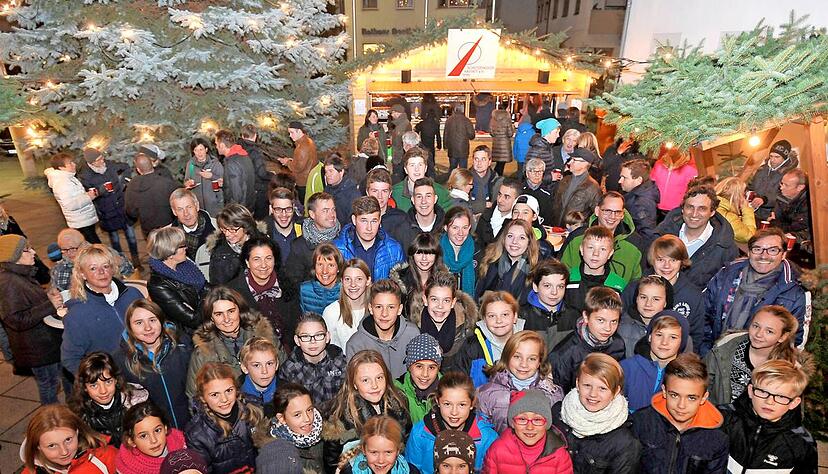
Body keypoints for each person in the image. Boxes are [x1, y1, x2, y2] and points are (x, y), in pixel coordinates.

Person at [703, 227, 807, 354]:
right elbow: (703, 314)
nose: (764, 256)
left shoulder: (794, 292)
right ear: (749, 252)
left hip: (760, 361)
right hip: (714, 352)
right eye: (757, 249)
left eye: (772, 250)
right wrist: (706, 354)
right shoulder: (727, 274)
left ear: (783, 254)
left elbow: (792, 340)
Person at [631, 353, 729, 473]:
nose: (681, 405)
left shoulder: (717, 439)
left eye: (691, 398)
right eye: (674, 395)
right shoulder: (640, 422)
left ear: (704, 398)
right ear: (664, 391)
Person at [719, 360, 817, 473]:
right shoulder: (722, 418)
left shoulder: (802, 442)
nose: (769, 401)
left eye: (781, 396)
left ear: (794, 403)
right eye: (763, 392)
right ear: (750, 391)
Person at [0, 235, 65, 404]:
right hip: (37, 349)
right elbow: (16, 319)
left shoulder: (19, 274)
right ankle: (51, 417)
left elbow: (27, 302)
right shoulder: (9, 283)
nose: (34, 252)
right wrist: (49, 305)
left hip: (42, 344)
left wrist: (46, 296)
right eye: (27, 249)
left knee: (53, 381)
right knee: (49, 385)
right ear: (14, 256)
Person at [322, 350, 411, 472]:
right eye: (365, 380)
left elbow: (406, 440)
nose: (374, 385)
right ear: (354, 383)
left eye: (379, 377)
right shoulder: (341, 415)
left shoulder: (398, 403)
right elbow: (331, 461)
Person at [61, 244, 143, 374]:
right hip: (116, 378)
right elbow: (70, 359)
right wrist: (100, 380)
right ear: (82, 274)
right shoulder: (77, 315)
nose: (101, 272)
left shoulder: (133, 294)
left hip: (148, 367)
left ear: (112, 269)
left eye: (105, 266)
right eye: (93, 268)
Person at [551, 353, 641, 472]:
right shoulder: (558, 413)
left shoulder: (625, 443)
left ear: (616, 391)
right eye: (587, 385)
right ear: (577, 384)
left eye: (602, 388)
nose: (593, 394)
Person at [185, 286, 282, 396]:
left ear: (240, 310)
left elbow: (285, 376)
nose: (226, 319)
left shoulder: (266, 337)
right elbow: (194, 396)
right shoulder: (203, 353)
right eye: (219, 314)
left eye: (231, 311)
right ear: (211, 318)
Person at [114, 299, 192, 429]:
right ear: (130, 327)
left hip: (191, 426)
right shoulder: (121, 360)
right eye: (139, 323)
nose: (148, 328)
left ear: (161, 321)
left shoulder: (182, 345)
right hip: (154, 432)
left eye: (152, 320)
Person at [704, 305, 802, 405]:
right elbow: (702, 383)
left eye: (769, 331)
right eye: (756, 326)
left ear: (782, 337)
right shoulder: (725, 348)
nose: (758, 334)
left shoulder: (789, 368)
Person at [405, 372, 496, 473]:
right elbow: (411, 470)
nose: (454, 412)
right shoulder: (420, 434)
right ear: (437, 401)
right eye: (447, 404)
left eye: (462, 405)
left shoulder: (487, 437)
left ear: (472, 404)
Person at [624, 235, 705, 348]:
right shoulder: (634, 288)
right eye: (660, 260)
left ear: (682, 262)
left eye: (673, 260)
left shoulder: (692, 295)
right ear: (652, 260)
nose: (667, 266)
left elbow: (696, 337)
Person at [478, 331, 564, 433]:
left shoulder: (552, 394)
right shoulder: (487, 393)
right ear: (507, 357)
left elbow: (557, 432)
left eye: (531, 359)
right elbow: (480, 431)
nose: (523, 364)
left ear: (539, 362)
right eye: (517, 357)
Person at [656, 185, 738, 289]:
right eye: (690, 207)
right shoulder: (661, 234)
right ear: (682, 209)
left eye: (702, 209)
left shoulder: (725, 248)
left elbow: (724, 287)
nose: (694, 214)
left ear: (712, 212)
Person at [186, 362, 262, 472]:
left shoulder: (254, 410)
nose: (224, 399)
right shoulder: (197, 434)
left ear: (236, 390)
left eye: (229, 390)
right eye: (215, 395)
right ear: (202, 398)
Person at [227, 235, 299, 347]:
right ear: (247, 262)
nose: (263, 265)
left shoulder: (288, 286)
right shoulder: (232, 292)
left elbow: (295, 326)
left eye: (268, 258)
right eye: (257, 259)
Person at [550, 287, 626, 392]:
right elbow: (558, 394)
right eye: (601, 320)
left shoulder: (618, 344)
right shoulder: (564, 354)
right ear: (586, 317)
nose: (608, 328)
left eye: (613, 321)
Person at [482, 388, 573, 472]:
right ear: (512, 423)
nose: (529, 427)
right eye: (522, 419)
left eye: (537, 420)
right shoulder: (497, 451)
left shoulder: (559, 456)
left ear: (547, 424)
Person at [560, 192, 644, 283]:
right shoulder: (577, 238)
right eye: (607, 211)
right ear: (597, 211)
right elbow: (560, 272)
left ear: (622, 214)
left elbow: (637, 281)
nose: (612, 216)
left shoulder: (635, 243)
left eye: (617, 212)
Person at [69, 351, 149, 446]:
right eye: (94, 385)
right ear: (85, 387)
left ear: (116, 380)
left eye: (108, 382)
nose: (103, 391)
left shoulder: (136, 402)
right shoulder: (80, 416)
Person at [78, 147, 139, 267]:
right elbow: (90, 194)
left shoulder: (110, 165)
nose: (103, 161)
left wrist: (124, 182)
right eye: (99, 160)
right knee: (115, 240)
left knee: (131, 236)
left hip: (122, 207)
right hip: (107, 211)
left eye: (102, 157)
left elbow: (126, 167)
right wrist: (100, 191)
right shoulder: (86, 176)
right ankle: (120, 263)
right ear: (91, 163)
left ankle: (136, 260)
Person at [346, 279, 420, 378]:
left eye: (391, 307)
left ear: (399, 309)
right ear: (371, 308)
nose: (384, 314)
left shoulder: (412, 334)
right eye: (379, 307)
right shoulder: (356, 344)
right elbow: (354, 381)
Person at [453, 291, 525, 388]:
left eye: (505, 315)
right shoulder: (472, 346)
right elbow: (458, 383)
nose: (498, 321)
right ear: (484, 319)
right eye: (492, 316)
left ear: (515, 317)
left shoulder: (529, 344)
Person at [622, 312, 690, 412]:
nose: (664, 342)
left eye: (673, 337)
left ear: (682, 342)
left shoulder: (687, 375)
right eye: (659, 335)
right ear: (650, 337)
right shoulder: (626, 368)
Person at [21, 404, 117, 474]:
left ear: (77, 432)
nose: (64, 452)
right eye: (52, 446)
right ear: (38, 446)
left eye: (68, 440)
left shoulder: (106, 456)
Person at [277, 312, 347, 407]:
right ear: (297, 340)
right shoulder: (289, 369)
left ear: (327, 337)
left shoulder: (341, 362)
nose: (313, 341)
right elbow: (286, 405)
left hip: (338, 413)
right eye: (305, 336)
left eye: (318, 335)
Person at [408, 271, 477, 366]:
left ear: (453, 303)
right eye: (434, 299)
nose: (440, 306)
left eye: (446, 300)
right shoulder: (412, 330)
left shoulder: (467, 331)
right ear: (425, 300)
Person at [146, 226, 207, 334]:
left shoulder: (185, 265)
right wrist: (207, 299)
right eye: (182, 246)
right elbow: (193, 320)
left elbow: (205, 286)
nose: (186, 248)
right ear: (170, 253)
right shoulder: (158, 285)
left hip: (204, 322)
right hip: (187, 334)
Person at [254, 383, 325, 473]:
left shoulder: (321, 429)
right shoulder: (276, 454)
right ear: (282, 418)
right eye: (297, 414)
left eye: (309, 410)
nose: (307, 419)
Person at [334, 196, 405, 281]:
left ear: (379, 220)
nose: (369, 228)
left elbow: (401, 285)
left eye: (374, 221)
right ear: (354, 220)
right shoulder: (337, 249)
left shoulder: (394, 249)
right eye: (364, 221)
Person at [563, 225, 627, 314]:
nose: (595, 254)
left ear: (610, 254)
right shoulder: (568, 278)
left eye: (602, 249)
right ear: (581, 249)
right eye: (590, 248)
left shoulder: (618, 285)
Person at [284, 192, 341, 288]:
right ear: (312, 214)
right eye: (325, 211)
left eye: (333, 209)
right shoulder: (299, 246)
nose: (332, 215)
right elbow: (293, 282)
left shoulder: (345, 239)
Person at [520, 259, 581, 348]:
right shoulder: (522, 316)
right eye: (547, 286)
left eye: (560, 286)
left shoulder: (574, 316)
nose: (554, 292)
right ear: (535, 287)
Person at [50, 228, 133, 292]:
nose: (69, 253)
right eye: (64, 250)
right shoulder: (60, 269)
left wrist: (119, 263)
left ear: (83, 244)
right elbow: (57, 291)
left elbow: (129, 271)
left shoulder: (103, 253)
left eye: (72, 248)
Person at [44, 151, 101, 244]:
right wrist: (89, 196)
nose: (74, 164)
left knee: (91, 244)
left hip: (83, 218)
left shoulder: (68, 177)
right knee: (95, 246)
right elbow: (70, 204)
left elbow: (75, 195)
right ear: (61, 167)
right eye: (70, 163)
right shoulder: (62, 182)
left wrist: (87, 194)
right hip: (80, 221)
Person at [116, 401, 187, 474]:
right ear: (131, 441)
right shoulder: (126, 467)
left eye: (157, 430)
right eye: (143, 436)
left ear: (165, 429)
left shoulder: (183, 444)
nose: (154, 440)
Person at [475, 219, 538, 301]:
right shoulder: (489, 261)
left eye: (522, 238)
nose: (514, 241)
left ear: (529, 242)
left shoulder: (535, 271)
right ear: (504, 239)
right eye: (510, 236)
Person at [390, 232, 448, 314]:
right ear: (412, 255)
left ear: (436, 256)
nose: (424, 258)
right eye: (419, 253)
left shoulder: (445, 281)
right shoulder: (399, 281)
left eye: (429, 253)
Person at [338, 416, 420, 474]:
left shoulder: (411, 472)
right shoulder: (350, 472)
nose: (381, 460)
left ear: (398, 450)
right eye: (374, 452)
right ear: (364, 449)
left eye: (388, 452)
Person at [617, 275, 674, 358]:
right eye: (643, 297)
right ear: (636, 299)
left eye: (656, 299)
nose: (648, 304)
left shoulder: (676, 330)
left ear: (666, 302)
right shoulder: (620, 326)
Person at [125, 153, 180, 235]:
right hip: (168, 226)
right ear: (152, 164)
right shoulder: (166, 182)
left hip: (149, 229)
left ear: (138, 169)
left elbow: (131, 212)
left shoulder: (132, 185)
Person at [394, 333, 443, 425]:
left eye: (431, 367)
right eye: (419, 366)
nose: (425, 374)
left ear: (438, 369)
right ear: (409, 367)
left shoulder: (449, 390)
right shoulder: (397, 391)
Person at [206, 203, 260, 284]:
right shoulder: (219, 254)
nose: (227, 234)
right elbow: (218, 287)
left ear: (245, 227)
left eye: (232, 229)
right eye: (224, 229)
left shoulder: (262, 243)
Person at [323, 259, 371, 350]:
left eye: (359, 279)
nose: (353, 284)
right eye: (347, 279)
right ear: (342, 281)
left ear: (368, 281)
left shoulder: (376, 310)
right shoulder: (331, 312)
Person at [548, 147, 601, 228]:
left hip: (575, 230)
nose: (569, 162)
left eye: (574, 160)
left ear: (584, 164)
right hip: (557, 228)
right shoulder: (564, 180)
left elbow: (596, 214)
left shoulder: (593, 187)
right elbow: (555, 204)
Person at [747, 139, 799, 221]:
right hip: (753, 213)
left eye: (777, 157)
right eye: (771, 156)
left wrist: (765, 200)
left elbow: (787, 197)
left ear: (785, 158)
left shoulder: (790, 175)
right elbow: (751, 186)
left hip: (774, 216)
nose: (772, 159)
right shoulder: (761, 169)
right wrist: (748, 194)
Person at [366, 167, 416, 250]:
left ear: (390, 193)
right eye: (375, 191)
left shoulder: (401, 219)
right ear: (367, 192)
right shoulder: (359, 220)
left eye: (384, 191)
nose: (379, 196)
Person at [773, 168, 813, 265]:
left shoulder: (809, 203)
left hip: (801, 248)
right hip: (786, 237)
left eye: (786, 185)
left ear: (800, 187)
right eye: (781, 183)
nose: (781, 187)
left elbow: (795, 226)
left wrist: (774, 223)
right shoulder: (782, 196)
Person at [392, 148, 452, 213]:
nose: (416, 169)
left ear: (425, 168)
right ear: (406, 169)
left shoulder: (441, 193)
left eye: (420, 165)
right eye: (412, 165)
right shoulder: (395, 193)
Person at [169, 188, 217, 263]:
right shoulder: (169, 239)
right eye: (180, 209)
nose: (186, 213)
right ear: (174, 212)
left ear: (197, 206)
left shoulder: (219, 228)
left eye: (189, 207)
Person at [619, 158, 660, 245]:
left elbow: (647, 234)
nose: (620, 181)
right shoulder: (639, 194)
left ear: (638, 180)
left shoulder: (641, 204)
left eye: (624, 178)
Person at [440, 206, 477, 296]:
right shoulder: (436, 251)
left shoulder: (478, 251)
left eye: (464, 228)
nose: (460, 233)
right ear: (446, 227)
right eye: (455, 228)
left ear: (469, 227)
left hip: (467, 303)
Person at [651, 147, 698, 218]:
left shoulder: (690, 170)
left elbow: (692, 191)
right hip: (655, 207)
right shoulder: (659, 164)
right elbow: (651, 182)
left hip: (675, 211)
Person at [238, 124, 273, 219]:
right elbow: (261, 173)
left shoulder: (238, 149)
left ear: (242, 135)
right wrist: (272, 175)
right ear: (255, 135)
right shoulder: (255, 152)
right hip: (258, 188)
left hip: (244, 188)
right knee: (261, 217)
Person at [238, 336, 279, 417]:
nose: (264, 371)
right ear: (245, 368)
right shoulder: (236, 397)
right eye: (257, 365)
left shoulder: (287, 394)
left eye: (269, 364)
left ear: (277, 365)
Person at [184, 136, 225, 216]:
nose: (199, 153)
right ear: (193, 151)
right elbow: (186, 180)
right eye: (196, 150)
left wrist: (211, 176)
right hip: (198, 206)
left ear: (206, 149)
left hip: (214, 205)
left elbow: (224, 182)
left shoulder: (215, 163)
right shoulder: (191, 165)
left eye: (201, 149)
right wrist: (188, 183)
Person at [300, 242, 344, 315]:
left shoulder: (346, 291)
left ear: (338, 268)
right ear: (314, 267)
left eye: (330, 265)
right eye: (320, 265)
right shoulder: (304, 290)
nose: (324, 271)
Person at [477, 177, 519, 247]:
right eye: (499, 194)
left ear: (516, 200)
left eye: (506, 197)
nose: (500, 200)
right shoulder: (485, 216)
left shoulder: (517, 223)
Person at [266, 186, 302, 267]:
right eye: (278, 209)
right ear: (271, 209)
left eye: (288, 209)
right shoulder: (262, 234)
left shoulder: (305, 230)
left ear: (293, 207)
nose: (284, 214)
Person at [714, 176, 756, 245]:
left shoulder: (715, 207)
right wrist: (747, 209)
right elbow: (749, 237)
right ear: (737, 196)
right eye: (743, 195)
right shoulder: (727, 215)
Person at [325, 154, 362, 226]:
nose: (327, 175)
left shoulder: (352, 193)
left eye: (331, 171)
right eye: (326, 172)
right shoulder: (327, 190)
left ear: (341, 172)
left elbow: (353, 221)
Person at [524, 118, 563, 186]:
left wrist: (555, 175)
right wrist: (550, 177)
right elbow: (527, 174)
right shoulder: (537, 150)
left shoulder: (547, 147)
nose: (558, 135)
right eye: (556, 132)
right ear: (548, 132)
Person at [520, 158, 554, 225]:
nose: (537, 175)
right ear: (527, 173)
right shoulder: (519, 190)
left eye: (540, 171)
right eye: (533, 171)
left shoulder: (547, 194)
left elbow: (548, 217)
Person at [444, 104, 475, 171]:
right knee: (463, 171)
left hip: (452, 149)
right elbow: (472, 135)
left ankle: (452, 177)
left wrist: (445, 146)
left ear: (454, 110)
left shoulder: (449, 120)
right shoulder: (466, 120)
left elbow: (445, 134)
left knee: (452, 169)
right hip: (463, 149)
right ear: (463, 110)